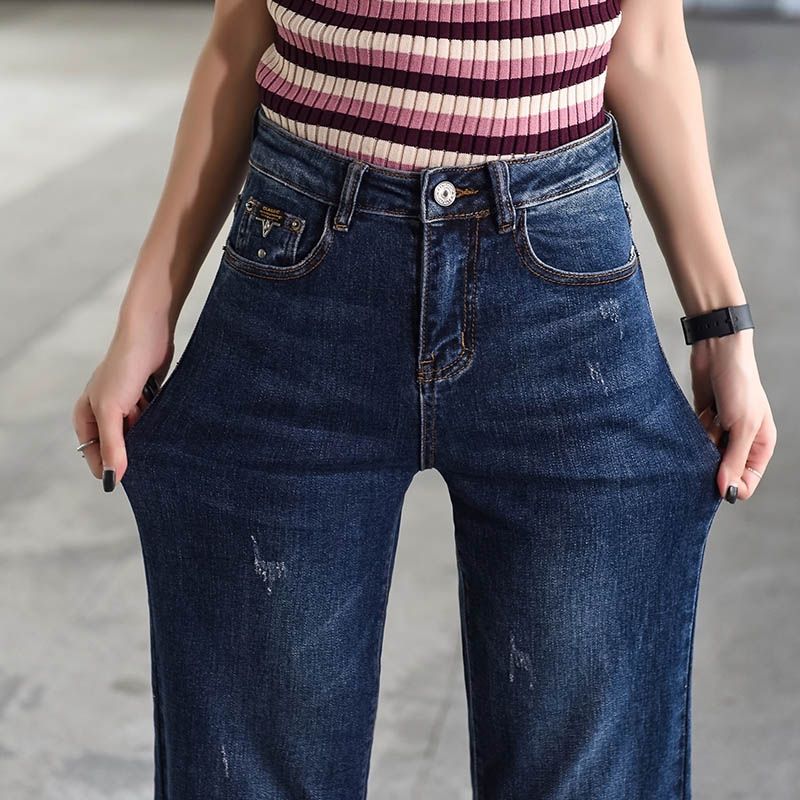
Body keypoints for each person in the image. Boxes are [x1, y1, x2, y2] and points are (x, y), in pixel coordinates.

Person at [72, 0, 776, 797]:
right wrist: (147, 311)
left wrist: (722, 325)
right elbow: (240, 36)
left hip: (561, 289)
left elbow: (647, 48)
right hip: (303, 276)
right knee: (250, 773)